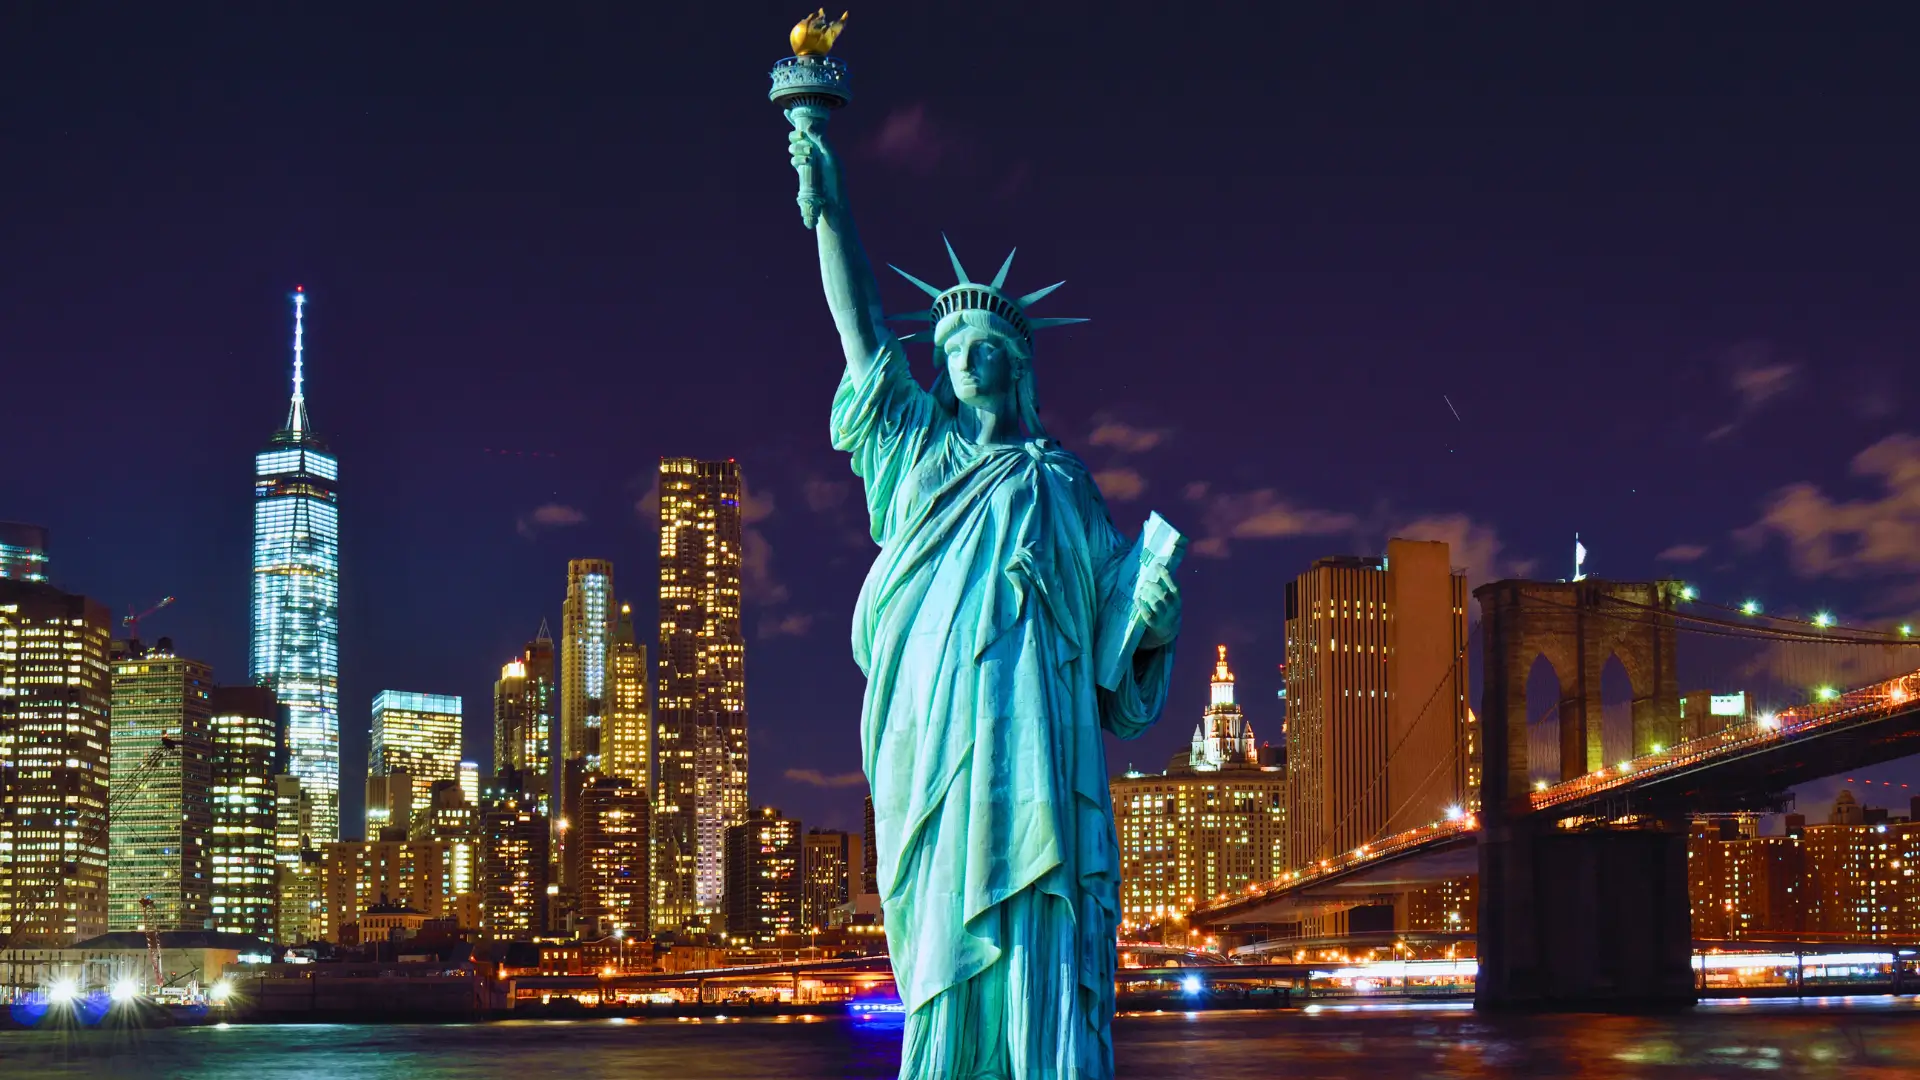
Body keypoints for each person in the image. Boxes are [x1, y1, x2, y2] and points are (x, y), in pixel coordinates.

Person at [788, 115, 1183, 1079]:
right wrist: (830, 211)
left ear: (1019, 359)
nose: (963, 358)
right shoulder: (916, 450)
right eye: (953, 346)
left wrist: (1152, 626)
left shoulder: (1064, 483)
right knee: (938, 910)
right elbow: (862, 334)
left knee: (1041, 904)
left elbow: (1111, 670)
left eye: (983, 345)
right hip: (934, 727)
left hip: (1041, 728)